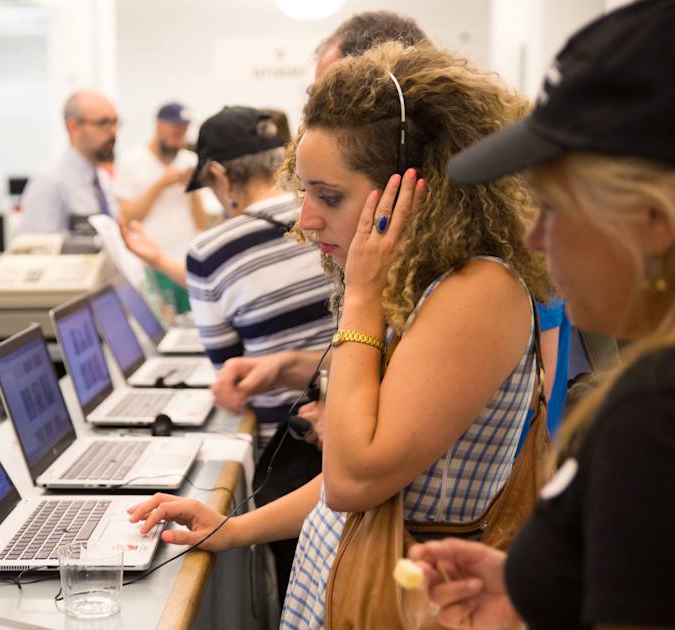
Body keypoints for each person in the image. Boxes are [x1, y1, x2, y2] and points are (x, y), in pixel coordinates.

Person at [128, 41, 551, 628]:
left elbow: (354, 479)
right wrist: (234, 528)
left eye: (329, 197)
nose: (306, 219)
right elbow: (348, 482)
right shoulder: (423, 285)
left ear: (412, 192)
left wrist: (361, 296)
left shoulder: (477, 291)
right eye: (304, 193)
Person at [408, 2, 675, 629]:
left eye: (554, 208)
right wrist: (539, 591)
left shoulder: (651, 416)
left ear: (649, 220)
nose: (535, 237)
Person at [126, 105, 337, 599]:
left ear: (221, 176)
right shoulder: (328, 216)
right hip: (342, 425)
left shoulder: (212, 250)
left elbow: (230, 370)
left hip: (287, 451)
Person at [116, 102, 208, 313]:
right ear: (159, 126)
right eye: (175, 131)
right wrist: (161, 184)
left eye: (183, 132)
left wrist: (192, 188)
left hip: (185, 265)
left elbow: (201, 222)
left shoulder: (190, 160)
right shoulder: (131, 161)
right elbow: (127, 217)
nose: (179, 139)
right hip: (149, 267)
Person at [18, 90, 119, 235]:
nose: (113, 132)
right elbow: (35, 247)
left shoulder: (103, 180)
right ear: (73, 127)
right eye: (103, 123)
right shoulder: (49, 183)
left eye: (115, 122)